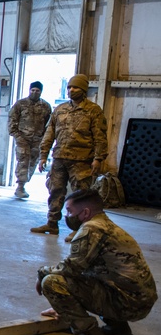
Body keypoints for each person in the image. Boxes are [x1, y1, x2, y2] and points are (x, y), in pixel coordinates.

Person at [36, 189, 157, 335]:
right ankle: (118, 328)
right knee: (93, 275)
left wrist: (43, 273)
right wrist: (65, 306)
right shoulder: (106, 224)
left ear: (85, 212)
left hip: (127, 304)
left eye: (70, 211)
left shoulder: (90, 229)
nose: (67, 215)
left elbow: (71, 268)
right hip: (139, 300)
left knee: (51, 282)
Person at [30, 74, 107, 240]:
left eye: (76, 87)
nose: (71, 90)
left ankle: (79, 229)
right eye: (69, 87)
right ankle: (52, 224)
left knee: (81, 195)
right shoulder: (60, 110)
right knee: (55, 190)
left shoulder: (93, 111)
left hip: (81, 160)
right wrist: (43, 155)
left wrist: (98, 158)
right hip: (59, 158)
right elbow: (49, 133)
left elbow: (100, 136)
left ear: (84, 90)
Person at [8, 81, 52, 199]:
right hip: (22, 138)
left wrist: (44, 138)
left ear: (41, 92)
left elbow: (49, 124)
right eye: (32, 90)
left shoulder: (46, 106)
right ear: (29, 90)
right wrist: (16, 135)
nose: (34, 92)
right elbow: (12, 119)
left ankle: (25, 182)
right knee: (23, 161)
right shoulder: (20, 104)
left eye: (37, 91)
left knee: (33, 162)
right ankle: (20, 186)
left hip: (37, 139)